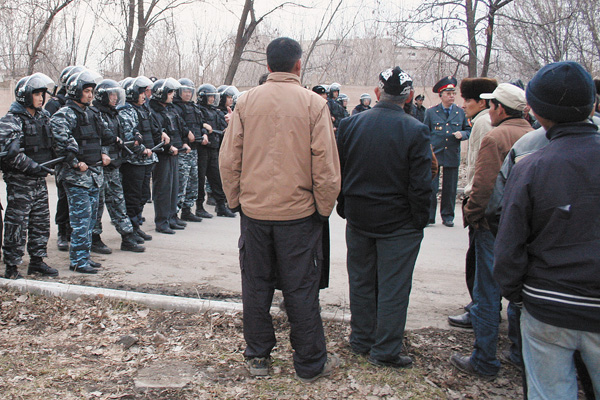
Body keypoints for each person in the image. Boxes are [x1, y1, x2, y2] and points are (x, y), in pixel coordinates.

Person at [220, 37, 341, 382]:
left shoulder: (246, 102)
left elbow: (229, 159)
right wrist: (322, 208)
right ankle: (309, 363)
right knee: (301, 288)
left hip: (255, 214)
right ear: (298, 65)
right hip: (299, 215)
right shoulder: (314, 105)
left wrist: (236, 201)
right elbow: (327, 169)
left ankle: (257, 356)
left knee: (256, 286)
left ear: (269, 67)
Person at [493, 61, 600, 400]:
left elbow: (508, 244)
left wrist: (518, 294)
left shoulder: (530, 166)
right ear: (593, 105)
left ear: (536, 112)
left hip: (547, 306)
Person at [336, 66, 432, 368]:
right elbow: (420, 185)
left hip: (360, 218)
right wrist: (419, 220)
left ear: (378, 93)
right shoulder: (415, 129)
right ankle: (385, 350)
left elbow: (339, 171)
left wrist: (345, 206)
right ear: (410, 96)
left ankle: (362, 339)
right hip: (398, 223)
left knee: (362, 281)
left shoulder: (351, 125)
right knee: (393, 287)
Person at [450, 83, 532, 379]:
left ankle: (484, 359)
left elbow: (483, 185)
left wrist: (471, 214)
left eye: (492, 105)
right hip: (525, 228)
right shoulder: (536, 135)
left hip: (492, 225)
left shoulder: (496, 136)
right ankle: (519, 353)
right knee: (521, 296)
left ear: (499, 108)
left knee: (487, 293)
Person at [51, 69, 116, 274]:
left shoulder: (92, 113)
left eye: (92, 92)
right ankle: (78, 261)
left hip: (94, 175)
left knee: (90, 221)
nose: (90, 95)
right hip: (76, 177)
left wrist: (104, 153)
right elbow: (60, 141)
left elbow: (103, 137)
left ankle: (84, 256)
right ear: (75, 91)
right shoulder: (64, 114)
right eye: (86, 91)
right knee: (80, 221)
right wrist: (75, 162)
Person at [448, 77, 498, 329]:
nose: (463, 104)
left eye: (468, 100)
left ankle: (481, 308)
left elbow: (482, 168)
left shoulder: (483, 124)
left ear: (482, 101)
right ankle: (479, 304)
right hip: (485, 199)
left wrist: (472, 203)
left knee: (481, 261)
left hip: (481, 200)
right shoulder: (482, 120)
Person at [0, 73, 59, 279]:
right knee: (17, 224)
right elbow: (10, 155)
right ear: (25, 96)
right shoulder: (11, 120)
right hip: (20, 182)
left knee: (40, 222)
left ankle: (37, 261)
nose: (41, 98)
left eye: (43, 93)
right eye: (37, 94)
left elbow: (54, 140)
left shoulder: (43, 117)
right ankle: (12, 265)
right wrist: (33, 167)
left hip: (39, 180)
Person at [91, 79, 145, 253]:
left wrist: (136, 135)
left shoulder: (114, 114)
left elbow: (123, 133)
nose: (114, 99)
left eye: (116, 95)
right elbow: (95, 138)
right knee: (97, 206)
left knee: (118, 202)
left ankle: (127, 236)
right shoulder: (94, 114)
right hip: (99, 167)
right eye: (111, 95)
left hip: (113, 165)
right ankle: (94, 238)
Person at [46, 65, 85, 252]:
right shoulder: (56, 103)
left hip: (81, 157)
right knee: (64, 198)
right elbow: (51, 131)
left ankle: (74, 232)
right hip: (64, 158)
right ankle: (62, 232)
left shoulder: (81, 103)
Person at [118, 76, 161, 241]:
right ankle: (130, 230)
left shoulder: (145, 109)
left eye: (145, 92)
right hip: (133, 162)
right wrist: (142, 150)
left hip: (147, 160)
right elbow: (130, 135)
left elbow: (153, 129)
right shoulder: (126, 111)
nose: (145, 95)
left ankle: (136, 226)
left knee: (143, 196)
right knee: (132, 197)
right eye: (141, 92)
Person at [424, 76, 471, 227]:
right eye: (448, 93)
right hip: (435, 154)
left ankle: (448, 216)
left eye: (453, 93)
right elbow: (424, 132)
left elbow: (468, 130)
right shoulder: (431, 113)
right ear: (441, 95)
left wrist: (462, 135)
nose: (451, 96)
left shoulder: (459, 112)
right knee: (431, 187)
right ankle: (429, 216)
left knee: (450, 188)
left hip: (451, 153)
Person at [148, 78, 191, 234]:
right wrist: (168, 147)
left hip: (175, 153)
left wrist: (184, 143)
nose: (173, 95)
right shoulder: (152, 111)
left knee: (174, 187)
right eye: (170, 92)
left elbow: (180, 129)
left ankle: (172, 217)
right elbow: (156, 134)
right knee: (163, 189)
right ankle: (162, 221)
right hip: (163, 155)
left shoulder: (171, 109)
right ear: (161, 93)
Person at [196, 84, 235, 218]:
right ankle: (199, 207)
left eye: (213, 96)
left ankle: (221, 206)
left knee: (217, 178)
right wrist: (203, 127)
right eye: (210, 97)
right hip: (202, 149)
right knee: (200, 180)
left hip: (214, 148)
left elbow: (222, 126)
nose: (212, 99)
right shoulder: (197, 110)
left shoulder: (216, 111)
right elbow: (194, 125)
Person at [172, 78, 207, 223]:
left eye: (189, 91)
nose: (187, 94)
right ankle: (175, 212)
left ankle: (187, 209)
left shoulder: (194, 107)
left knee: (193, 180)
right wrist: (186, 135)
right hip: (183, 149)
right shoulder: (175, 108)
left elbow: (201, 123)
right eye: (185, 91)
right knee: (182, 182)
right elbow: (177, 126)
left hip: (195, 149)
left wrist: (204, 132)